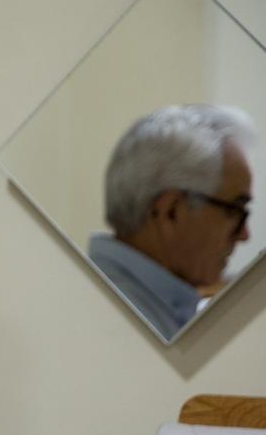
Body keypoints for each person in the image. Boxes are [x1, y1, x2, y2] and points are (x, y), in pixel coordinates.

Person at [89, 104, 254, 341]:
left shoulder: (138, 305)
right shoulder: (116, 324)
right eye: (234, 210)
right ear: (171, 211)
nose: (244, 235)